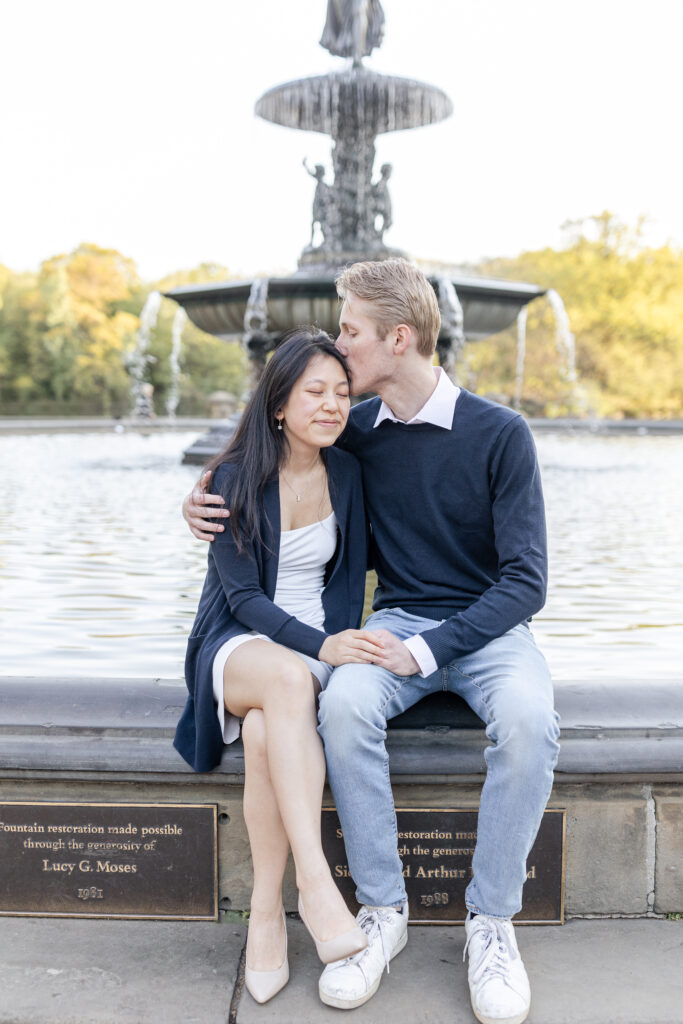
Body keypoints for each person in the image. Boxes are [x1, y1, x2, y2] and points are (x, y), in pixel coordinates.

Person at [183, 261, 560, 1024]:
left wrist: (431, 650)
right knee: (345, 704)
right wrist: (196, 501)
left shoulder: (500, 434)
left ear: (397, 338)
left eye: (350, 332)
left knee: (528, 723)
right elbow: (266, 451)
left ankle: (489, 923)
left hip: (489, 627)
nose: (339, 349)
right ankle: (381, 909)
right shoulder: (351, 431)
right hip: (391, 621)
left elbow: (526, 582)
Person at [174, 329, 387, 1005]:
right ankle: (316, 885)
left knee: (270, 732)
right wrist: (322, 647)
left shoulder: (346, 470)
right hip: (239, 643)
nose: (331, 405)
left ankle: (265, 913)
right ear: (278, 405)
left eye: (340, 392)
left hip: (311, 651)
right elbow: (242, 598)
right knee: (286, 680)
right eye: (314, 392)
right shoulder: (233, 478)